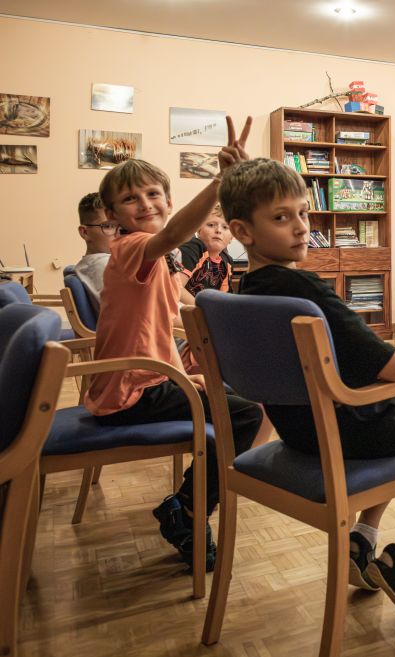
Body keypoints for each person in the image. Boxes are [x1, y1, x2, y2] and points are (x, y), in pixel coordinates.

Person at [224, 157, 395, 624]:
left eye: (303, 212)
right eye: (282, 217)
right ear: (243, 230)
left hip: (300, 431)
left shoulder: (242, 292)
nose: (301, 227)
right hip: (356, 430)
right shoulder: (303, 290)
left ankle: (363, 538)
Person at [84, 117, 263, 571]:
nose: (145, 204)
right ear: (112, 216)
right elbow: (171, 234)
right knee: (246, 413)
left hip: (148, 380)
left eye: (152, 194)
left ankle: (192, 500)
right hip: (132, 392)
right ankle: (187, 508)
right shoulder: (133, 247)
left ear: (167, 199)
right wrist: (221, 180)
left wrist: (189, 371)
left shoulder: (156, 259)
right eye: (130, 199)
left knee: (241, 399)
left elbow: (161, 326)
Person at [178, 204, 235, 295]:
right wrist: (201, 305)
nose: (218, 230)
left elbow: (223, 298)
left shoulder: (227, 261)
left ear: (232, 236)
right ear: (198, 229)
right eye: (211, 225)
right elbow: (175, 288)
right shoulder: (193, 247)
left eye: (225, 227)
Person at [73, 192, 114, 308]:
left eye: (120, 225)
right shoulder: (106, 265)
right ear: (85, 232)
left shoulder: (90, 265)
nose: (118, 233)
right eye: (108, 226)